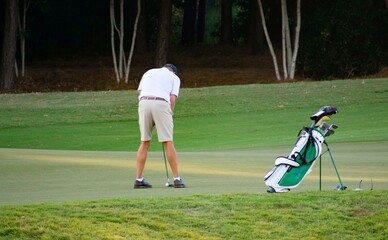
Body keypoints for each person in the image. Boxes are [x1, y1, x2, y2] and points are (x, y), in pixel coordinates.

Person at [134, 63, 185, 189]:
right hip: (161, 103)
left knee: (144, 142)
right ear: (173, 71)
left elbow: (140, 91)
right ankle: (177, 179)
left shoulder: (148, 72)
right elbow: (172, 100)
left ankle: (138, 179)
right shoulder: (174, 78)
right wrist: (166, 117)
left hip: (143, 103)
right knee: (168, 141)